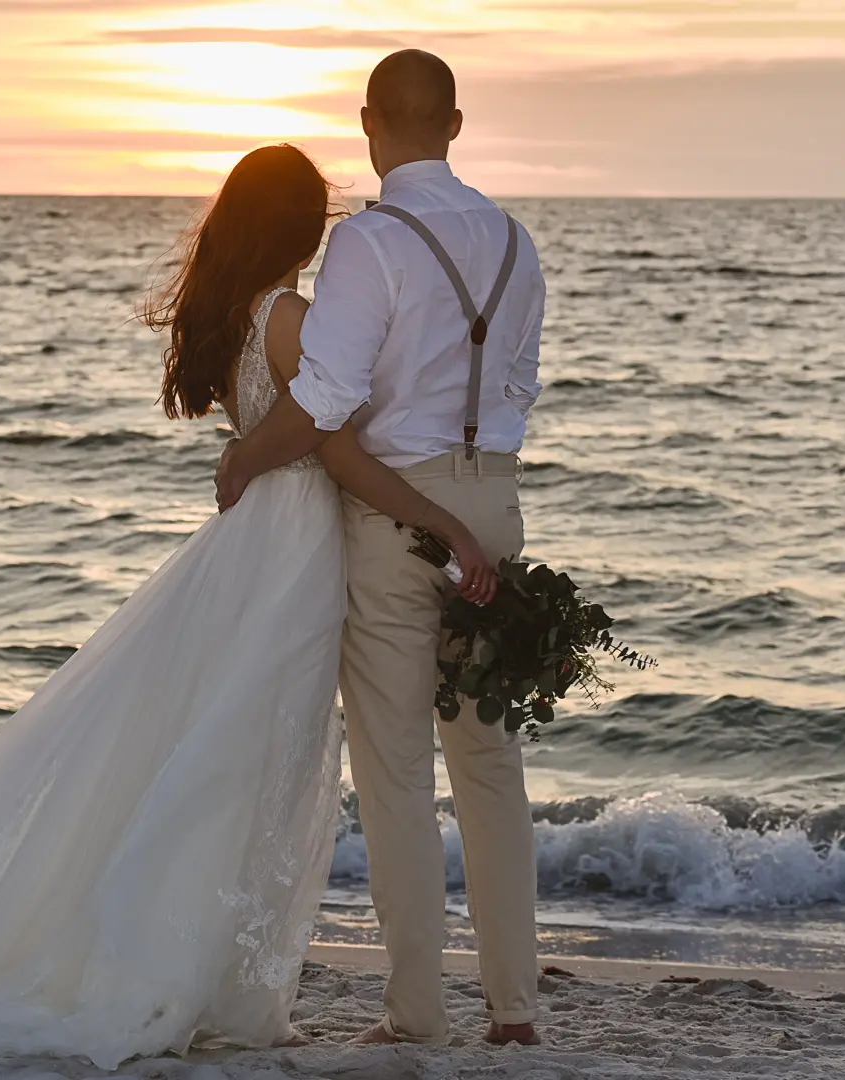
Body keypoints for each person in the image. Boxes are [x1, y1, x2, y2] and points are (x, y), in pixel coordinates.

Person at [0, 140, 498, 1069]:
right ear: (303, 225)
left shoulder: (238, 314)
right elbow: (332, 450)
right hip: (292, 546)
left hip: (261, 538)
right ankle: (184, 976)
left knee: (230, 755)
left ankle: (205, 974)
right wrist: (446, 526)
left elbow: (285, 436)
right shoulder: (291, 315)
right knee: (246, 762)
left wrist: (250, 460)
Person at [216, 48, 548, 1047]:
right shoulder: (515, 239)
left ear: (370, 123)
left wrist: (244, 460)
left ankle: (415, 1014)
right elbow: (521, 385)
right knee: (490, 766)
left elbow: (324, 401)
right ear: (453, 123)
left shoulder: (367, 243)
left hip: (399, 513)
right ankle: (516, 1010)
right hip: (496, 501)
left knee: (398, 770)